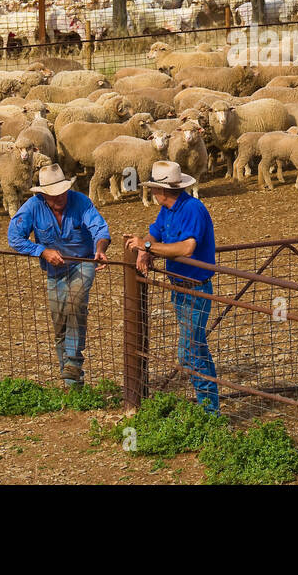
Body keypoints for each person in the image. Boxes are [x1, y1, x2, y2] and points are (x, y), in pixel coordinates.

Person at [124, 161, 218, 414]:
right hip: (181, 287)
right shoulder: (168, 209)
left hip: (195, 288)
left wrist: (146, 249)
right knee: (195, 348)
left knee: (190, 350)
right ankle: (207, 409)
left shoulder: (192, 209)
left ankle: (210, 413)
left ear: (162, 191)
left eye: (154, 188)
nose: (153, 193)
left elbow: (187, 248)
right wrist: (147, 246)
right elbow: (155, 233)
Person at [8, 163, 110, 387]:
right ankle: (70, 380)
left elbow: (100, 229)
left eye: (62, 192)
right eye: (54, 195)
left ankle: (73, 361)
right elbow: (14, 237)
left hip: (82, 262)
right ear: (43, 195)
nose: (60, 197)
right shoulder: (32, 207)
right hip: (54, 270)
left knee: (75, 303)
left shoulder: (80, 202)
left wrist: (100, 249)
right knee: (59, 319)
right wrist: (42, 251)